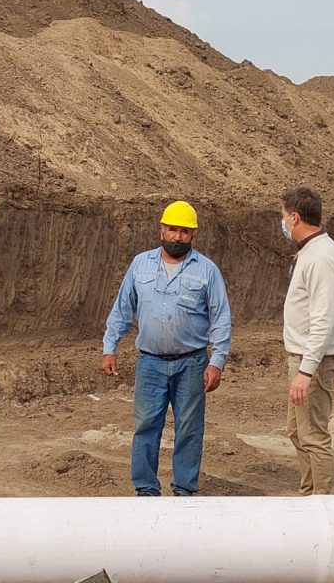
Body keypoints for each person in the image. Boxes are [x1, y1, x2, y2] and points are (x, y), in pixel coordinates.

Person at [102, 200, 232, 497]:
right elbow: (123, 309)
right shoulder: (140, 265)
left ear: (193, 235)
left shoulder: (207, 271)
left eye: (184, 232)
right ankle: (146, 490)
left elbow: (221, 318)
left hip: (192, 364)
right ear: (161, 229)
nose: (177, 237)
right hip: (150, 363)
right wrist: (110, 347)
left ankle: (184, 491)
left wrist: (217, 362)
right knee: (145, 426)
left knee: (189, 429)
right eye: (172, 229)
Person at [280, 186, 334, 495]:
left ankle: (323, 508)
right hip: (306, 359)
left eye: (283, 216)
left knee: (313, 437)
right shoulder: (312, 251)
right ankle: (309, 498)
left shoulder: (321, 258)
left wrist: (306, 371)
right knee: (297, 432)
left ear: (295, 218)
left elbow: (323, 321)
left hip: (315, 363)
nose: (282, 222)